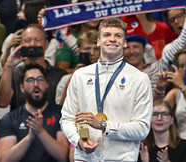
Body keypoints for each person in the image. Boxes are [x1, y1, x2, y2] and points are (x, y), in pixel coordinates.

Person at [60, 18, 153, 161]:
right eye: (107, 35)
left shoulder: (139, 79)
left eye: (118, 36)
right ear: (98, 41)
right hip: (85, 158)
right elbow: (67, 119)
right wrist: (78, 141)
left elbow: (142, 129)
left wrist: (103, 125)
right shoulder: (80, 75)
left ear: (125, 42)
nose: (112, 39)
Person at [0, 63, 69, 162]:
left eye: (40, 79)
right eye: (30, 80)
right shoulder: (10, 119)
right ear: (22, 88)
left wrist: (41, 132)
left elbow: (64, 156)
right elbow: (4, 159)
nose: (36, 84)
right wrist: (29, 138)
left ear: (46, 84)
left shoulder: (61, 114)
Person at [0, 24, 67, 111]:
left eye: (37, 40)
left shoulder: (60, 76)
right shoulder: (14, 73)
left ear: (46, 44)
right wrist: (8, 66)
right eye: (28, 40)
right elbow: (2, 103)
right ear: (21, 44)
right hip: (20, 123)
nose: (33, 44)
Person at [55, 29, 100, 105]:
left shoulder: (108, 77)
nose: (92, 53)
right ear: (78, 52)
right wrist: (71, 81)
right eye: (87, 49)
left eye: (96, 49)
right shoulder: (66, 80)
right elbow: (59, 111)